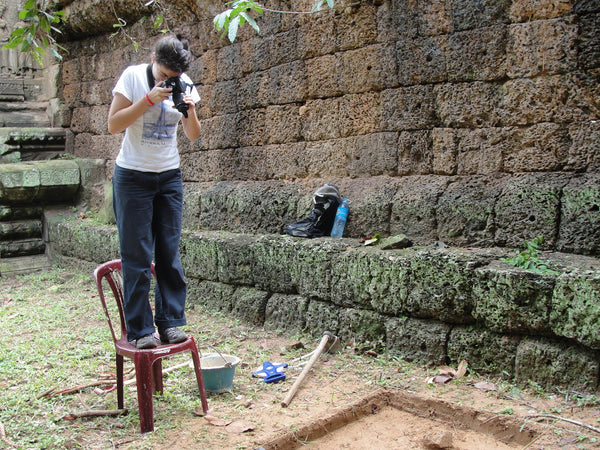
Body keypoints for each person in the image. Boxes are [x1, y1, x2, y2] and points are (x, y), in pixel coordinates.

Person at [107, 35, 201, 349]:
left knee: (169, 253)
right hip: (133, 175)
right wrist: (149, 99)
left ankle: (171, 322)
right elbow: (113, 124)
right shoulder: (132, 77)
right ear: (152, 59)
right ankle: (141, 330)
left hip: (168, 178)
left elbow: (193, 135)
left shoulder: (184, 83)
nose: (167, 81)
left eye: (172, 78)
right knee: (136, 256)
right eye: (162, 75)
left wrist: (190, 110)